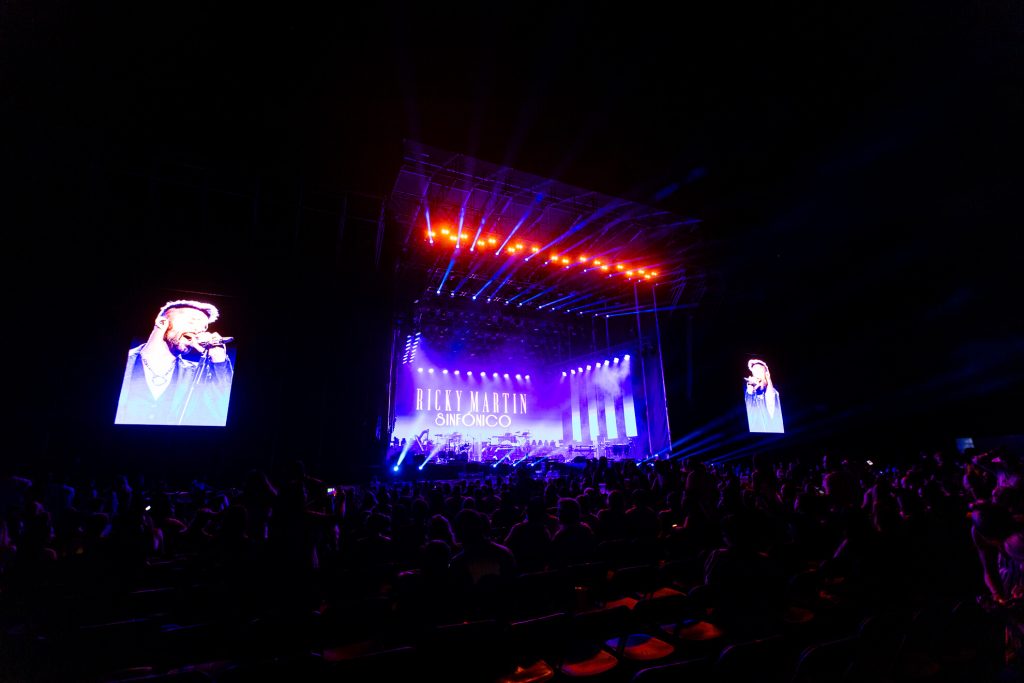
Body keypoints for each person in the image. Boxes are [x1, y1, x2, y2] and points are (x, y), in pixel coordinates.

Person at [115, 299, 234, 426]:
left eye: (204, 327)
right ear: (162, 322)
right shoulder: (124, 361)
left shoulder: (197, 374)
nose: (200, 330)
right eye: (192, 321)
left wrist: (219, 359)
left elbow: (222, 409)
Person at [744, 358, 784, 433]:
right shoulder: (749, 392)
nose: (755, 373)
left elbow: (771, 398)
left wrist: (768, 380)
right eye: (754, 371)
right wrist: (750, 393)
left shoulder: (775, 392)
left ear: (766, 374)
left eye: (759, 370)